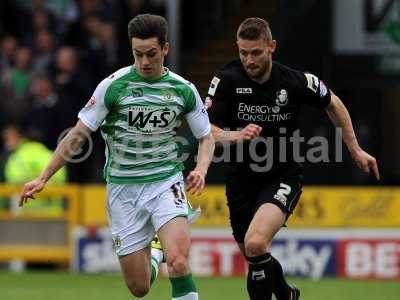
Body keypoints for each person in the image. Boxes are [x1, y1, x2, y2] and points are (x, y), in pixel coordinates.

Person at [19, 14, 214, 300]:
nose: (145, 62)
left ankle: (166, 251)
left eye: (151, 54)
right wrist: (43, 177)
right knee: (139, 287)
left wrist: (201, 169)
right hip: (123, 190)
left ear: (166, 49)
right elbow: (76, 135)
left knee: (180, 262)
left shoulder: (183, 90)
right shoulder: (113, 86)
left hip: (165, 182)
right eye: (138, 54)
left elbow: (206, 136)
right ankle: (155, 251)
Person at [206, 17, 379, 300]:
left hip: (282, 176)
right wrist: (235, 136)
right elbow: (207, 129)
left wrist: (355, 149)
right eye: (243, 52)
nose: (249, 60)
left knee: (256, 243)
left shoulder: (295, 81)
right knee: (253, 256)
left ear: (271, 46)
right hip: (240, 181)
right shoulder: (225, 80)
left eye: (256, 53)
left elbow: (333, 103)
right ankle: (286, 293)